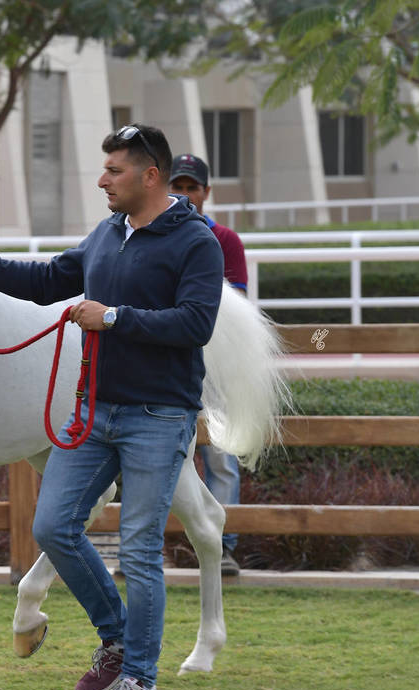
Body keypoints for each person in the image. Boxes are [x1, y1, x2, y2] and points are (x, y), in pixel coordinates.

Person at [0, 124, 223, 690]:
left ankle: (141, 679)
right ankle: (117, 637)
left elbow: (196, 325)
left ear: (150, 176)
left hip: (159, 417)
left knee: (140, 549)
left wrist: (114, 318)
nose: (102, 180)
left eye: (114, 171)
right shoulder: (108, 232)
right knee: (53, 526)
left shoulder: (197, 242)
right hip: (93, 413)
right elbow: (49, 280)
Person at [169, 153, 247, 577]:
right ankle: (153, 547)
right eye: (176, 187)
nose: (183, 196)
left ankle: (224, 546)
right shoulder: (150, 235)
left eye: (191, 188)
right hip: (169, 363)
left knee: (219, 457)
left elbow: (233, 310)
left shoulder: (225, 240)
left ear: (205, 192)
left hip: (214, 367)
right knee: (159, 453)